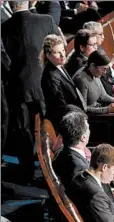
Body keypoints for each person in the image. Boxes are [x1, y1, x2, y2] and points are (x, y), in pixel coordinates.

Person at [1, 1, 59, 183]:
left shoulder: (3, 27)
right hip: (44, 85)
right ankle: (51, 172)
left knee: (23, 130)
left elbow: (4, 59)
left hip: (17, 87)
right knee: (48, 129)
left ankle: (26, 173)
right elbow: (58, 48)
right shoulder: (46, 20)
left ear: (11, 3)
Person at [41, 34, 86, 131]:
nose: (62, 55)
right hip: (66, 123)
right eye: (57, 52)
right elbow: (60, 105)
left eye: (63, 50)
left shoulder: (59, 65)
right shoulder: (51, 76)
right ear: (48, 55)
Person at [83, 21, 114, 96]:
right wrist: (111, 62)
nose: (103, 37)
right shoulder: (90, 53)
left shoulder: (99, 46)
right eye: (100, 34)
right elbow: (101, 75)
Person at [73, 49, 114, 114]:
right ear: (92, 65)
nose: (105, 73)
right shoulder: (82, 80)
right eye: (103, 69)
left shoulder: (95, 73)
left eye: (106, 69)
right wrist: (107, 110)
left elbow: (103, 96)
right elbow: (82, 109)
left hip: (98, 109)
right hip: (91, 118)